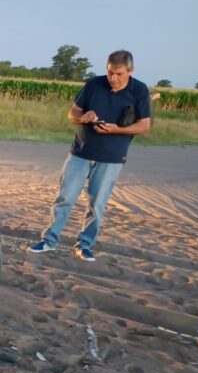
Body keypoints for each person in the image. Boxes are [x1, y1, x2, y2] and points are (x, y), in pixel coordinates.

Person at [28, 50, 151, 261]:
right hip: (81, 152)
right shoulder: (94, 84)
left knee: (96, 204)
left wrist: (116, 130)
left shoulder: (139, 90)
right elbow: (72, 113)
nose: (113, 78)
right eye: (110, 72)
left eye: (119, 73)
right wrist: (83, 116)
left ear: (130, 71)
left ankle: (84, 245)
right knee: (64, 198)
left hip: (112, 157)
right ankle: (49, 241)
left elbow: (144, 126)